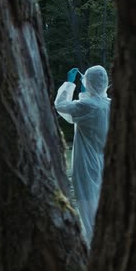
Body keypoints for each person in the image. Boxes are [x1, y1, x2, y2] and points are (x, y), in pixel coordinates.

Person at [54, 65, 110, 245]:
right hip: (105, 162)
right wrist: (86, 92)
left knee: (87, 207)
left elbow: (61, 106)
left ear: (89, 82)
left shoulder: (87, 106)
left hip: (86, 164)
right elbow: (84, 113)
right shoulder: (109, 105)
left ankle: (95, 247)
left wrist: (69, 84)